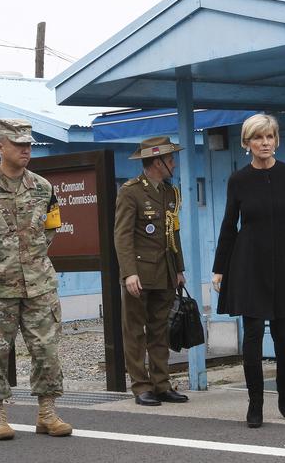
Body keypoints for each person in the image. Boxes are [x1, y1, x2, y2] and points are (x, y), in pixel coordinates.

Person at [0, 118, 72, 440]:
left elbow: (51, 227)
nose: (25, 150)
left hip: (40, 285)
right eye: (18, 144)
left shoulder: (43, 188)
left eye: (29, 144)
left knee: (46, 349)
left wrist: (32, 259)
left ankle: (47, 413)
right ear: (0, 147)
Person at [212, 114, 285, 428]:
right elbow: (229, 226)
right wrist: (220, 268)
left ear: (277, 140)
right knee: (254, 333)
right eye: (258, 138)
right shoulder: (238, 180)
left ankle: (284, 387)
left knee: (283, 332)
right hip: (249, 260)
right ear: (247, 143)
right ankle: (255, 402)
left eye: (269, 137)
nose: (265, 143)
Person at [114, 136, 189, 406]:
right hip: (139, 273)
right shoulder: (131, 191)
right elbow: (122, 236)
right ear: (157, 162)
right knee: (135, 331)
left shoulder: (169, 193)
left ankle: (161, 384)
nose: (174, 164)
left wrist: (179, 268)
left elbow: (173, 232)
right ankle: (141, 386)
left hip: (165, 272)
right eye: (170, 160)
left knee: (160, 330)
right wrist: (128, 273)